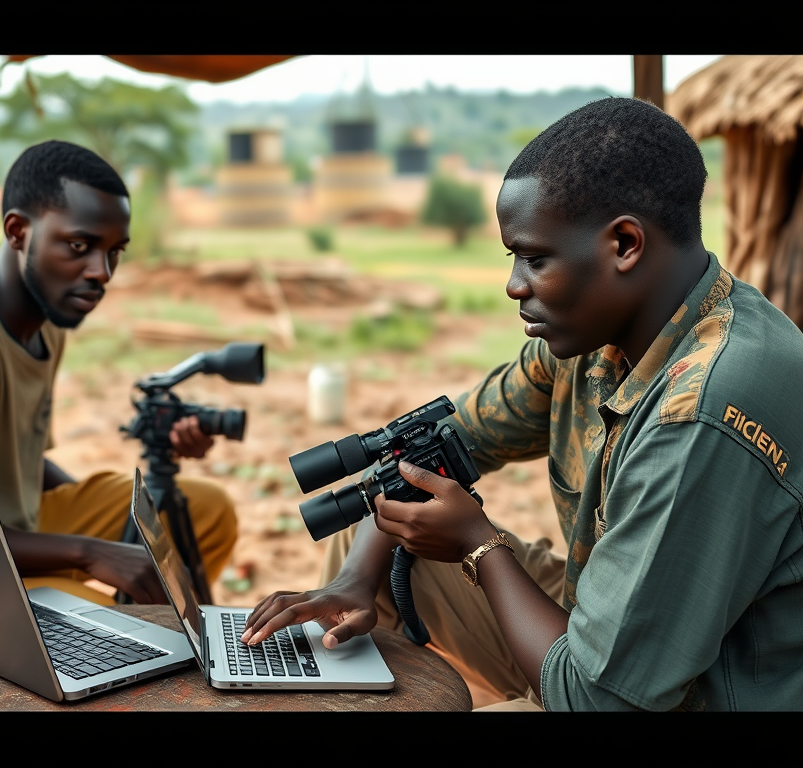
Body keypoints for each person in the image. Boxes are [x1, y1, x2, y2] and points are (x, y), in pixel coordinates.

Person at [242, 97, 803, 711]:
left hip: (676, 695)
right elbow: (435, 450)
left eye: (535, 259)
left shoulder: (702, 409)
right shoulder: (596, 336)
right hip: (598, 631)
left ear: (623, 244)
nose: (514, 284)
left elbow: (597, 700)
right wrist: (354, 581)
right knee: (378, 529)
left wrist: (479, 544)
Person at [0, 140, 238, 606]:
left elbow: (24, 461)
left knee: (207, 511)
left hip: (21, 523)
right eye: (79, 245)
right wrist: (90, 553)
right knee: (100, 617)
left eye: (114, 252)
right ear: (17, 231)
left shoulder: (48, 319)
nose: (101, 272)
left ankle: (156, 638)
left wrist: (126, 535)